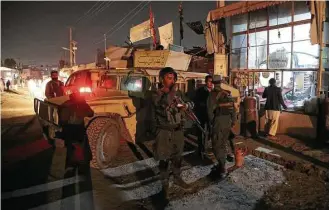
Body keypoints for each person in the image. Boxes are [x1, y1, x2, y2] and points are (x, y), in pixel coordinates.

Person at [152, 67, 192, 200]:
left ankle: (177, 178)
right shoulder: (157, 94)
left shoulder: (178, 93)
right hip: (164, 131)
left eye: (173, 78)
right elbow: (164, 104)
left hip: (178, 131)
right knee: (164, 158)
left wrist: (187, 106)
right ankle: (164, 184)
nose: (172, 80)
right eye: (169, 78)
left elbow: (189, 103)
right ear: (162, 79)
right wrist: (173, 92)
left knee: (177, 157)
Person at [207, 78, 236, 179]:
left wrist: (211, 123)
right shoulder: (227, 93)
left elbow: (210, 111)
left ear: (214, 84)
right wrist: (233, 121)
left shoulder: (212, 94)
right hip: (227, 121)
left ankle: (222, 167)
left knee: (216, 144)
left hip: (218, 121)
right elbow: (233, 108)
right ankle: (224, 161)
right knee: (223, 142)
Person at [194, 75, 213, 158]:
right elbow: (196, 102)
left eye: (212, 81)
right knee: (201, 133)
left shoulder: (213, 92)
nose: (210, 83)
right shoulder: (200, 91)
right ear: (206, 82)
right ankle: (201, 149)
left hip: (210, 116)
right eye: (209, 81)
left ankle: (207, 148)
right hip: (201, 115)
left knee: (210, 132)